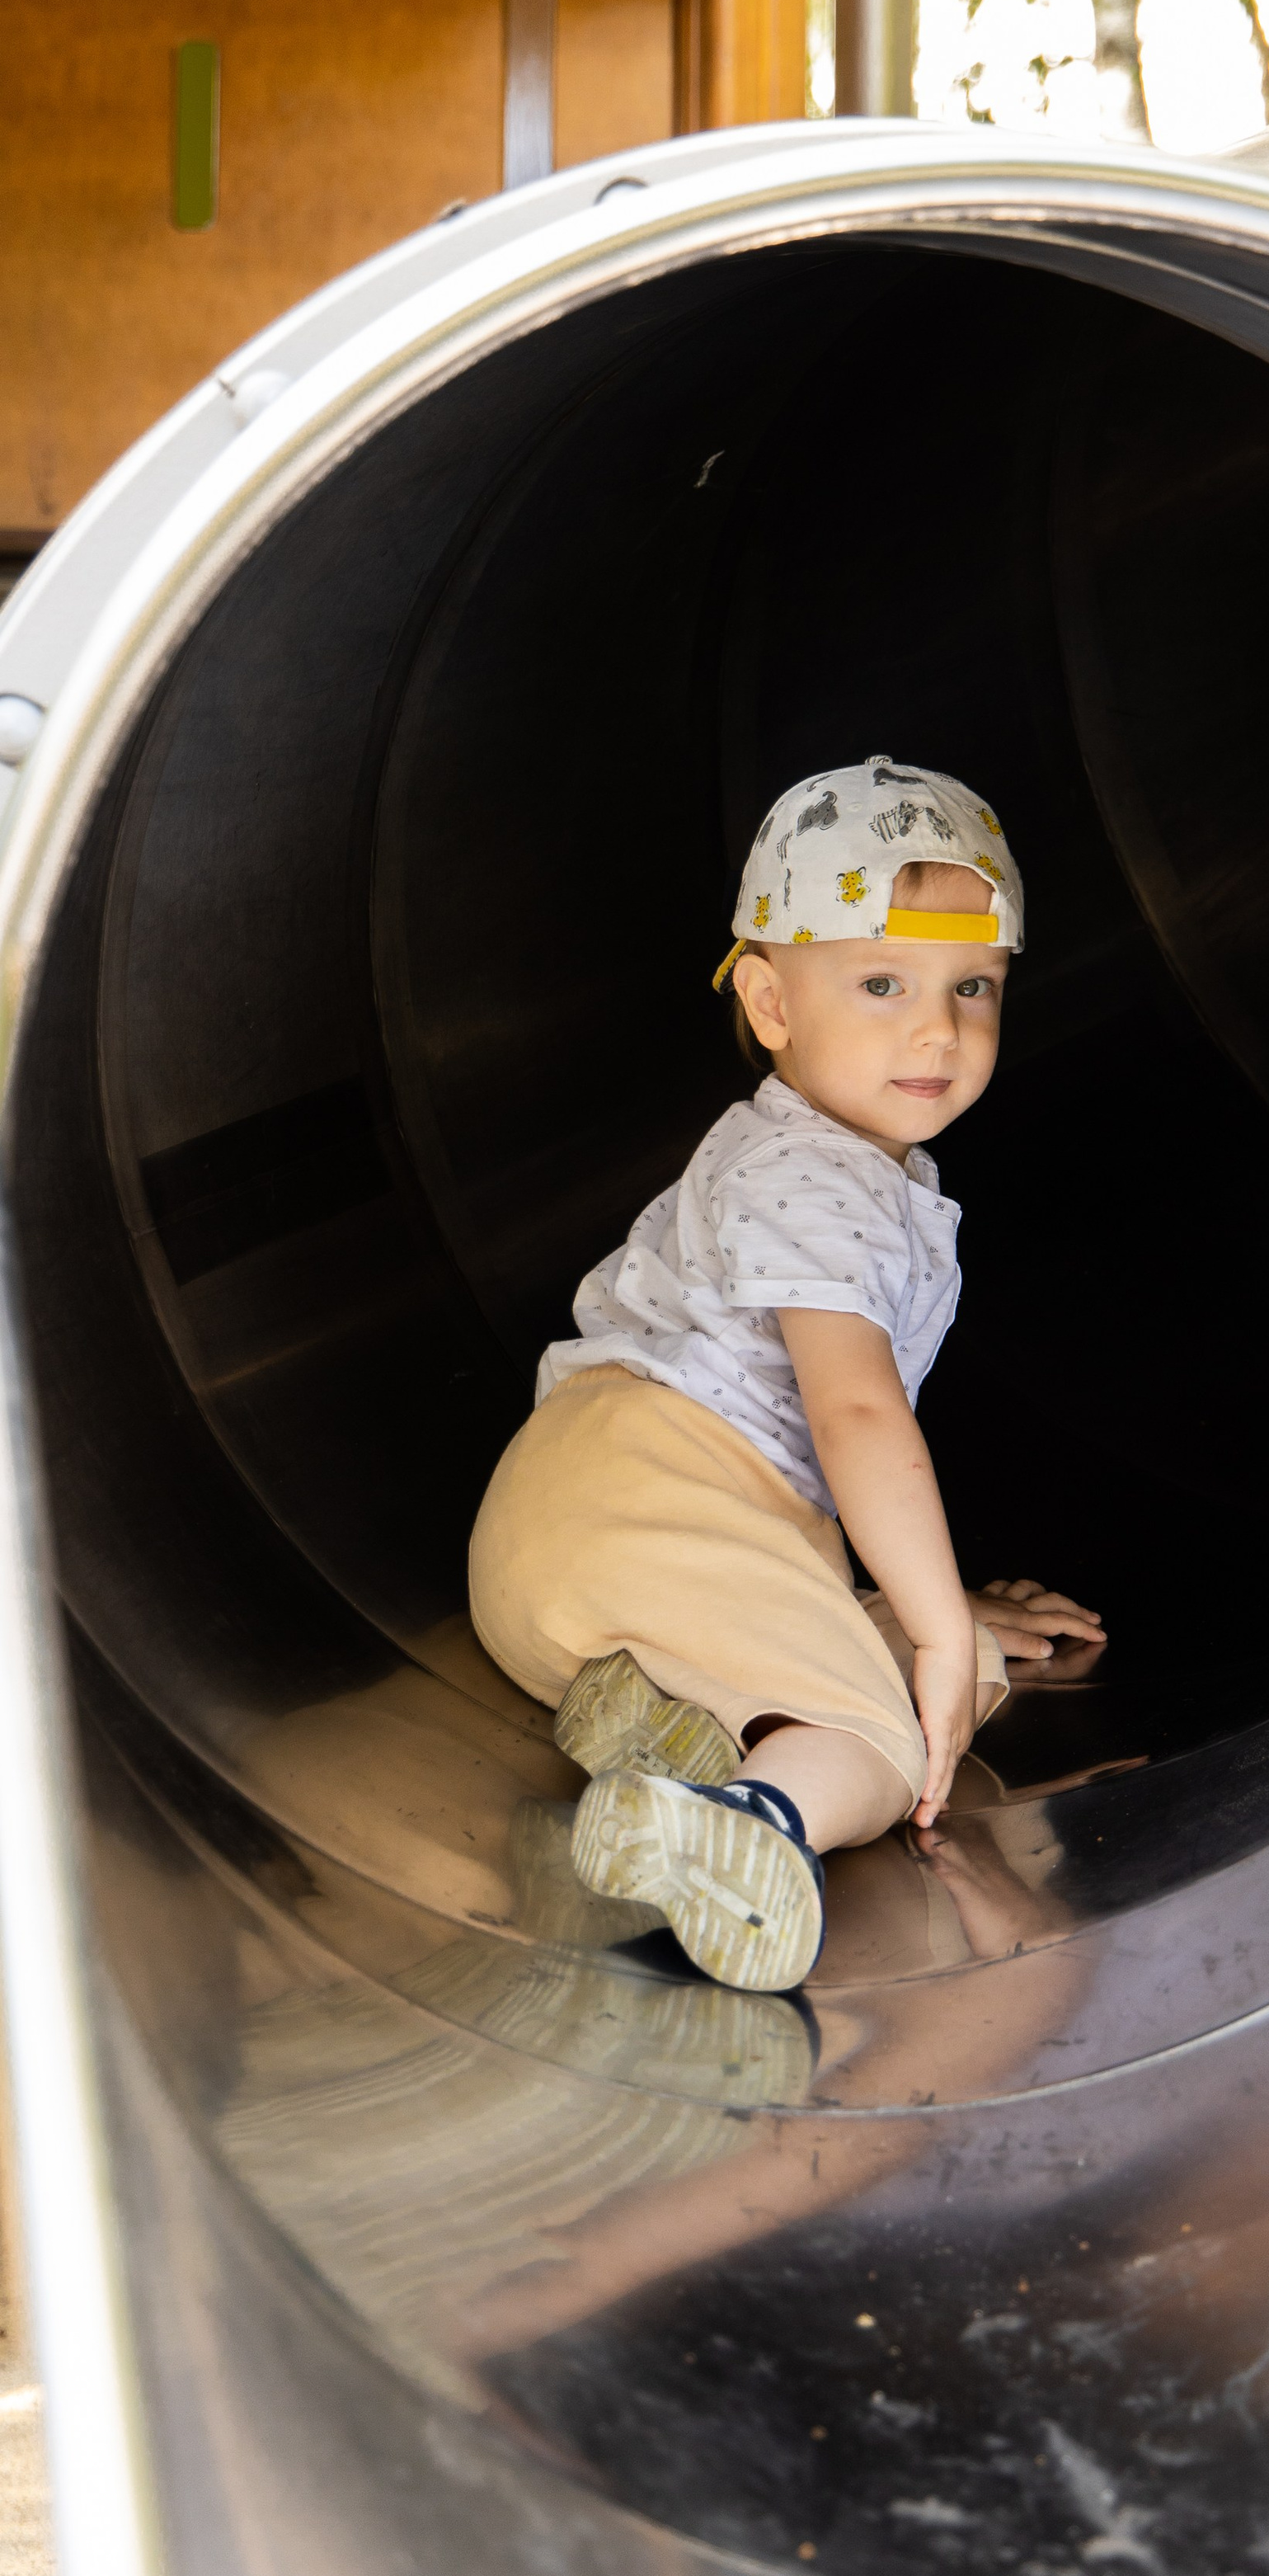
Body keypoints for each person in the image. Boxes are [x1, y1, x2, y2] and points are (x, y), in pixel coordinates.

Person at [466, 756, 1102, 1997]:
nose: (938, 1027)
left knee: (929, 1661)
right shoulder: (814, 1178)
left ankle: (677, 1737)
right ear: (769, 1002)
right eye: (881, 983)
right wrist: (927, 1627)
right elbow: (857, 1416)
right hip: (653, 1490)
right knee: (896, 1728)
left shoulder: (818, 1158)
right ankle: (744, 1828)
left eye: (971, 985)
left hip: (590, 1540)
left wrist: (943, 1613)